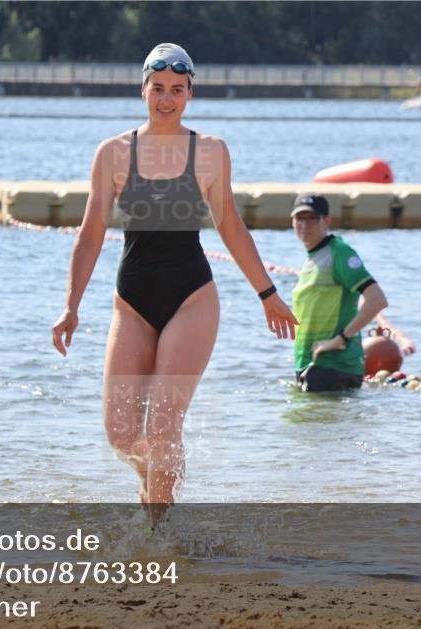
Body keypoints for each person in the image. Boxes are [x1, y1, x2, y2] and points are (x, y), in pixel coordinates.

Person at [51, 43, 297, 516]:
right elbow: (89, 237)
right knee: (122, 434)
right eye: (158, 88)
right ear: (143, 89)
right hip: (132, 300)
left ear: (190, 94)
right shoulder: (113, 153)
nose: (167, 98)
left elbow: (231, 227)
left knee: (163, 428)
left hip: (192, 298)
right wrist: (71, 306)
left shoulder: (209, 151)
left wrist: (267, 294)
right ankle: (159, 484)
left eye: (177, 90)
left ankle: (157, 536)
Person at [290, 195, 388, 391]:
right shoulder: (312, 258)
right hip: (311, 362)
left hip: (334, 366)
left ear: (327, 220)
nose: (304, 225)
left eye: (312, 219)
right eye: (299, 218)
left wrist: (339, 339)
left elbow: (377, 299)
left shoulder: (339, 252)